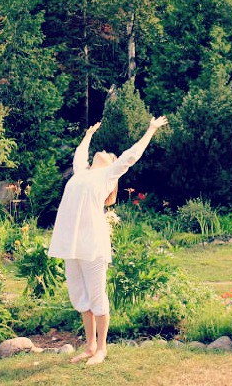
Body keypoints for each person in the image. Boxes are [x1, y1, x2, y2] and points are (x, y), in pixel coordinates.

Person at [48, 115, 168, 365]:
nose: (102, 151)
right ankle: (90, 347)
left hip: (93, 246)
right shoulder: (81, 172)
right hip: (72, 245)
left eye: (107, 152)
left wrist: (150, 130)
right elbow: (79, 155)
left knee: (97, 297)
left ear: (112, 165)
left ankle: (101, 349)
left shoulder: (107, 176)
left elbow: (130, 156)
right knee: (80, 298)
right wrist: (88, 136)